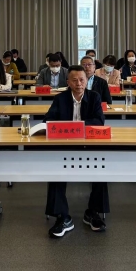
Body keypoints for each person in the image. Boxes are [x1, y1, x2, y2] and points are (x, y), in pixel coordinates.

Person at [44, 65, 108, 237]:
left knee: (101, 172)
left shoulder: (94, 97)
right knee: (56, 173)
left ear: (87, 81)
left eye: (82, 80)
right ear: (68, 82)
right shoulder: (60, 98)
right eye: (74, 80)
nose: (79, 83)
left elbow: (99, 121)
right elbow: (48, 120)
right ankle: (62, 217)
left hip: (89, 144)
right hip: (64, 144)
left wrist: (76, 126)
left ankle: (93, 212)